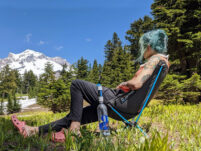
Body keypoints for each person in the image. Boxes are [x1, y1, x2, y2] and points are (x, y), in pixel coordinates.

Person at [18, 29, 170, 137]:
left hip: (119, 102)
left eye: (144, 47)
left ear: (150, 47)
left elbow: (137, 84)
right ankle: (36, 130)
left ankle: (74, 129)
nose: (143, 50)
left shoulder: (155, 59)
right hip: (130, 110)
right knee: (76, 115)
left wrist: (124, 82)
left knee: (77, 84)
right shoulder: (164, 64)